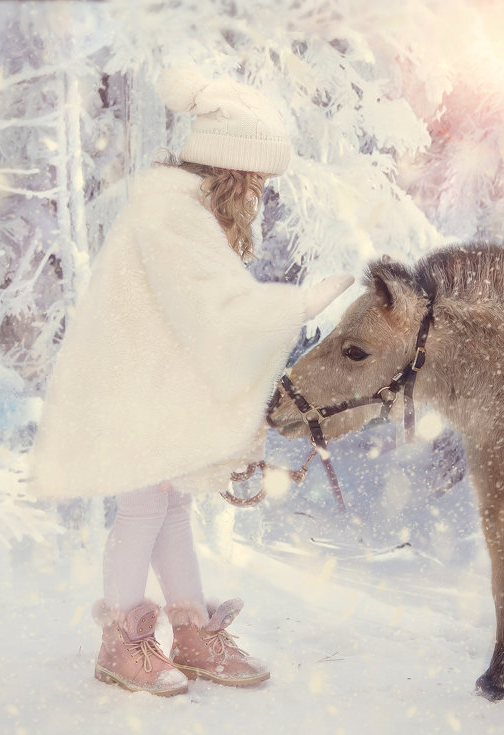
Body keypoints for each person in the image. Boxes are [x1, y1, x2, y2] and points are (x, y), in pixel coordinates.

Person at [28, 64, 353, 696]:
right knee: (146, 503)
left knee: (169, 502)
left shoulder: (179, 206)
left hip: (145, 385)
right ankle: (122, 642)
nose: (258, 193)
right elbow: (216, 307)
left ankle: (192, 632)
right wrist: (300, 304)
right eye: (254, 180)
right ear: (231, 171)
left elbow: (196, 310)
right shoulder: (170, 213)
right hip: (130, 389)